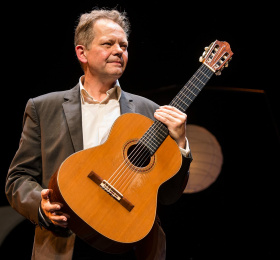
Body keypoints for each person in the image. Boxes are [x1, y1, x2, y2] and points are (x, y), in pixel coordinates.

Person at [5, 8, 192, 260]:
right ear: (82, 52)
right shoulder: (43, 108)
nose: (119, 51)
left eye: (124, 46)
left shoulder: (151, 112)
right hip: (65, 243)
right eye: (108, 43)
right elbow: (18, 178)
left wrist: (180, 144)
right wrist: (40, 204)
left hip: (132, 245)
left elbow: (169, 195)